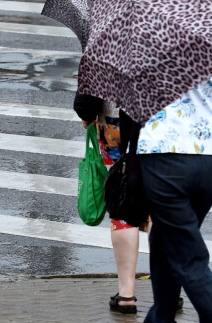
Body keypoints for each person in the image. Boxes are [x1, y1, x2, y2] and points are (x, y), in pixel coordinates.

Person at [137, 70, 212, 323]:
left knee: (188, 256)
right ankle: (160, 317)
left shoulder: (146, 41)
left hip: (163, 152)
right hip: (211, 153)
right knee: (168, 237)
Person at [74, 93, 149, 314]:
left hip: (114, 121)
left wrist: (87, 111)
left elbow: (92, 73)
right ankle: (169, 293)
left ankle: (126, 294)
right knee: (159, 206)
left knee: (121, 197)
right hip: (162, 123)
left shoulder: (109, 54)